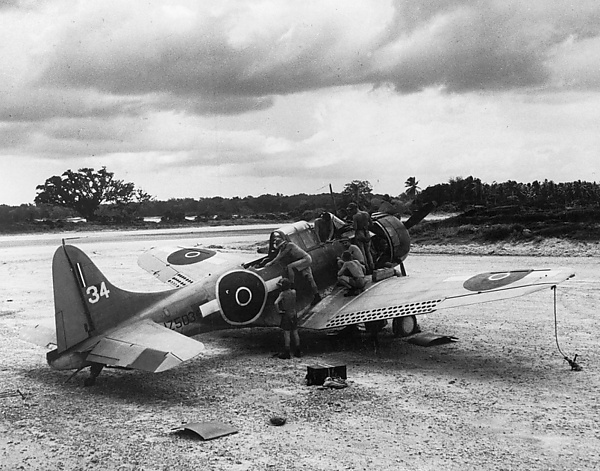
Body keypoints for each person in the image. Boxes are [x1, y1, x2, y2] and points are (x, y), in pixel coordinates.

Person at [266, 238, 321, 305]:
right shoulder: (283, 248)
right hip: (301, 260)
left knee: (290, 266)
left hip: (305, 259)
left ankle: (291, 283)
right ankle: (317, 295)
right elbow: (278, 256)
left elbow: (280, 255)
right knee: (310, 279)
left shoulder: (290, 245)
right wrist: (271, 262)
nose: (280, 248)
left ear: (284, 244)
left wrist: (271, 263)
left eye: (281, 246)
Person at [274, 278, 301, 359]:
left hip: (286, 314)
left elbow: (275, 303)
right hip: (294, 313)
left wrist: (278, 311)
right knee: (295, 332)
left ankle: (287, 352)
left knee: (287, 334)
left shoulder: (282, 294)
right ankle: (298, 351)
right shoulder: (294, 292)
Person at [347, 203, 374, 273]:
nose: (350, 212)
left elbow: (355, 228)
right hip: (367, 233)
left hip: (359, 234)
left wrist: (351, 226)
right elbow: (371, 224)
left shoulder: (355, 216)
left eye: (351, 210)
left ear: (355, 208)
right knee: (368, 252)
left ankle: (366, 268)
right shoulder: (366, 214)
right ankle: (372, 266)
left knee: (362, 253)